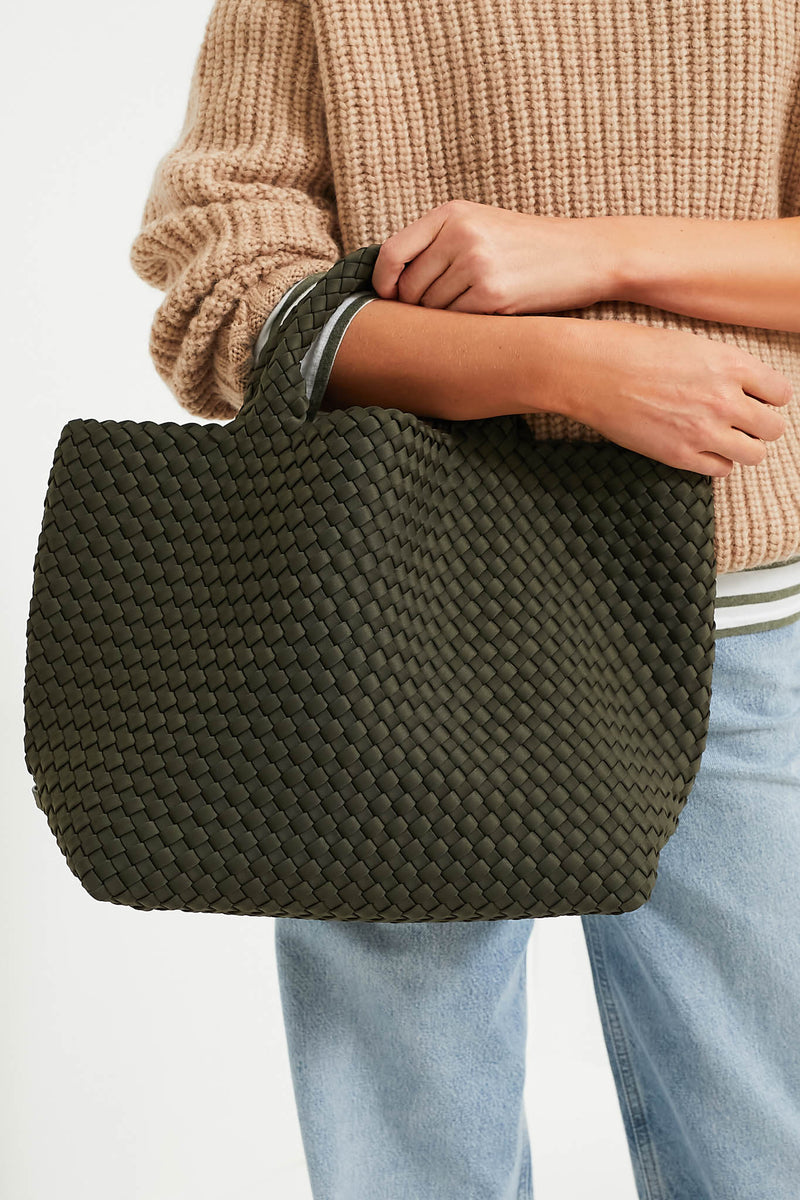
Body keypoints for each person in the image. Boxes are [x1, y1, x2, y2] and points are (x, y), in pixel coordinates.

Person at [129, 2, 800, 1196]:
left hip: (731, 622)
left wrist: (596, 256)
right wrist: (555, 365)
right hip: (393, 611)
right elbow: (222, 290)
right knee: (409, 1162)